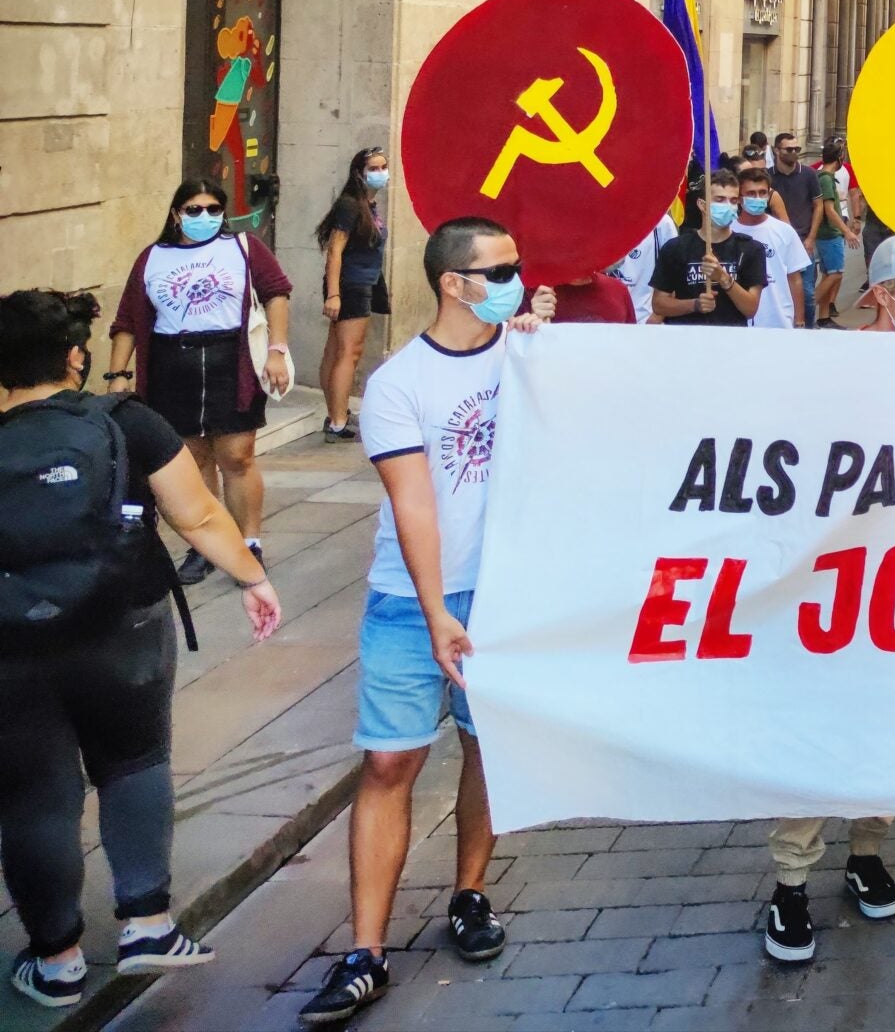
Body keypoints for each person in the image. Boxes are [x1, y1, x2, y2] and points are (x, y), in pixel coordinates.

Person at [296, 219, 553, 1026]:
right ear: (455, 282)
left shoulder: (529, 358)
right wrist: (439, 610)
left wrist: (550, 346)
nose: (516, 276)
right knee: (388, 764)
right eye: (500, 268)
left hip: (509, 595)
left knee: (488, 745)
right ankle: (365, 949)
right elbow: (415, 506)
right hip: (414, 602)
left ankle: (469, 894)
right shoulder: (401, 383)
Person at [0, 290, 281, 1009]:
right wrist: (252, 577)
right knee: (134, 763)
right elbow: (198, 514)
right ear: (75, 356)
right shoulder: (128, 423)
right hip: (124, 627)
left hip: (12, 647)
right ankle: (148, 924)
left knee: (35, 796)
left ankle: (56, 960)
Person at [756, 237, 895, 965]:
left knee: (886, 727)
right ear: (881, 297)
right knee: (813, 729)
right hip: (828, 586)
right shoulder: (827, 368)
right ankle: (792, 881)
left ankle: (867, 850)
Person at [107, 180, 292, 587]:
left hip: (231, 359)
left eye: (213, 208)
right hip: (173, 362)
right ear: (176, 213)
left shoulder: (244, 248)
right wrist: (117, 375)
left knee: (237, 455)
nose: (204, 217)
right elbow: (126, 321)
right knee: (192, 459)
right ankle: (207, 545)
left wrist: (277, 349)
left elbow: (277, 292)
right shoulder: (152, 258)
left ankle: (249, 542)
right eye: (193, 209)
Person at [315, 148, 390, 443]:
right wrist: (334, 294)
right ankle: (337, 420)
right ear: (359, 172)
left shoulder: (367, 206)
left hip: (364, 282)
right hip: (351, 285)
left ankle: (336, 410)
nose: (381, 172)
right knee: (349, 351)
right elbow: (335, 250)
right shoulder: (349, 206)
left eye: (384, 166)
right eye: (374, 167)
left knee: (336, 350)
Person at [649, 172, 766, 328]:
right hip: (686, 339)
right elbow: (659, 304)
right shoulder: (676, 248)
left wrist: (723, 278)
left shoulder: (751, 249)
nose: (728, 206)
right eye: (720, 200)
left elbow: (750, 309)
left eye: (733, 200)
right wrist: (695, 305)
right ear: (702, 205)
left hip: (732, 340)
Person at [733, 167, 812, 331]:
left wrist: (799, 321)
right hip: (739, 323)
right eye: (751, 193)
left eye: (762, 193)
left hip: (778, 321)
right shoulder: (729, 231)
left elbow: (795, 278)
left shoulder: (784, 231)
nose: (758, 198)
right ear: (739, 198)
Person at [766, 134, 824, 324]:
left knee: (806, 294)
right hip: (776, 243)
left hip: (803, 241)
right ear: (776, 150)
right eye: (788, 149)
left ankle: (807, 328)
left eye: (796, 149)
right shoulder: (768, 177)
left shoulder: (808, 174)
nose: (793, 153)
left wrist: (811, 238)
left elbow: (818, 205)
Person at [606, 211, 679, 323]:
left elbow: (674, 274)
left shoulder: (662, 222)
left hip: (645, 320)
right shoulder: (602, 218)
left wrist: (657, 317)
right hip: (604, 320)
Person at [810, 140, 854, 327]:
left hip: (828, 234)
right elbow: (829, 209)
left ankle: (824, 317)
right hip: (830, 234)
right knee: (835, 273)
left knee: (829, 273)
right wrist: (847, 231)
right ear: (839, 158)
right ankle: (808, 305)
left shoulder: (823, 177)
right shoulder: (826, 179)